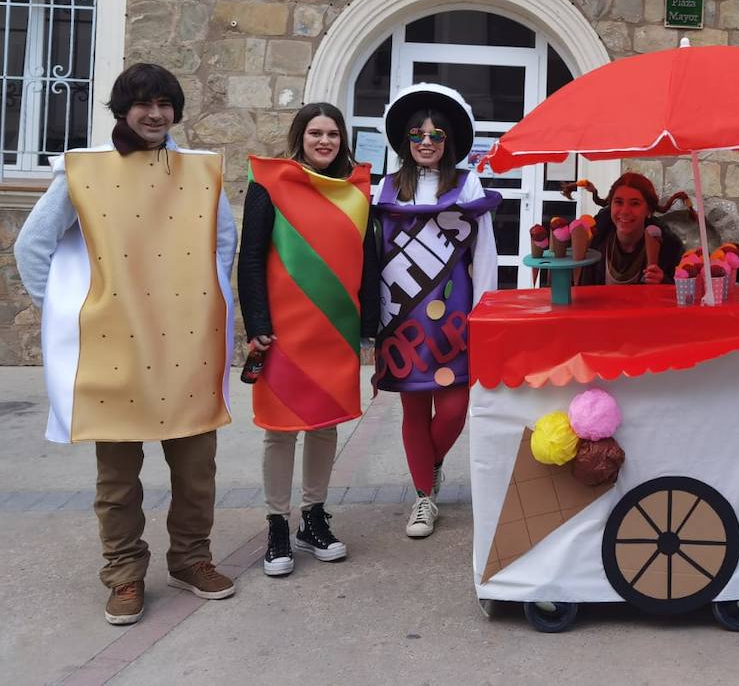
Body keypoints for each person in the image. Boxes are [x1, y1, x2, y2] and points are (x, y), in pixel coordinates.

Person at [14, 63, 239, 626]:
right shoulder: (84, 173)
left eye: (165, 103)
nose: (155, 113)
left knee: (196, 469)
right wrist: (66, 318)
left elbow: (223, 243)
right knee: (117, 479)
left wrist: (205, 303)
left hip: (189, 348)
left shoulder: (199, 172)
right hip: (114, 348)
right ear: (122, 110)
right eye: (143, 103)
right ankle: (124, 574)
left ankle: (191, 559)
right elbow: (32, 247)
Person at [237, 103, 380, 577]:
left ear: (343, 141)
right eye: (316, 133)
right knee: (279, 430)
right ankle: (278, 523)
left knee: (324, 424)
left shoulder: (357, 193)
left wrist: (367, 331)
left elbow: (369, 264)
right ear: (300, 137)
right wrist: (256, 321)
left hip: (334, 333)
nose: (325, 141)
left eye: (333, 134)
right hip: (281, 331)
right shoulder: (270, 183)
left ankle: (313, 518)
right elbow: (251, 258)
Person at [374, 84, 500, 540]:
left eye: (436, 135)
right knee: (413, 410)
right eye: (417, 134)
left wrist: (485, 314)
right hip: (402, 316)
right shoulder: (384, 188)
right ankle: (424, 496)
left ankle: (432, 465)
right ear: (406, 141)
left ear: (450, 142)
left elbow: (484, 253)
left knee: (453, 408)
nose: (426, 142)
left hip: (455, 319)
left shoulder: (467, 184)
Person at [561, 174, 689, 285]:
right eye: (618, 202)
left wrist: (664, 282)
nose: (625, 211)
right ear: (610, 206)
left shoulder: (670, 251)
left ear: (649, 210)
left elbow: (682, 299)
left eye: (635, 203)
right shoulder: (593, 241)